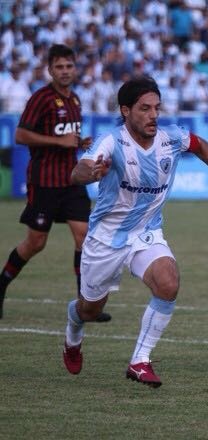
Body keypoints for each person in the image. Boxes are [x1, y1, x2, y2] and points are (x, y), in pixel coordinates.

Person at [61, 75, 208, 387]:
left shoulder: (170, 138)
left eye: (157, 107)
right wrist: (91, 172)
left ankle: (140, 360)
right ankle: (73, 329)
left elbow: (200, 145)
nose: (154, 115)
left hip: (146, 233)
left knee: (168, 282)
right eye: (145, 108)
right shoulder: (111, 142)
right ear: (125, 111)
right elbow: (79, 171)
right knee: (90, 309)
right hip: (105, 239)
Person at [0, 44, 111, 322]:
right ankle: (1, 285)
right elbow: (21, 136)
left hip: (72, 180)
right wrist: (59, 141)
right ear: (50, 70)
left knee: (84, 238)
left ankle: (85, 306)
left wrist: (78, 143)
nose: (64, 71)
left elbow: (67, 137)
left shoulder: (75, 100)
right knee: (36, 243)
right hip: (44, 182)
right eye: (59, 67)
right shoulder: (41, 98)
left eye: (69, 66)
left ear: (75, 68)